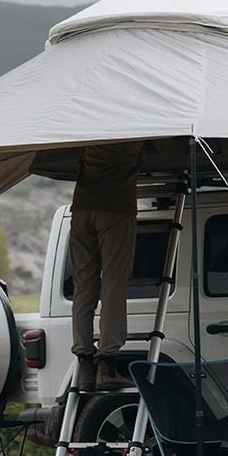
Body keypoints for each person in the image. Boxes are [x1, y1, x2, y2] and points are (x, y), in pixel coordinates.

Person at [70, 143, 142, 390]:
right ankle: (107, 364)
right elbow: (169, 149)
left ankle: (85, 366)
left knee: (84, 285)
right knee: (113, 283)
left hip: (81, 205)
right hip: (116, 204)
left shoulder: (93, 114)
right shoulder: (139, 118)